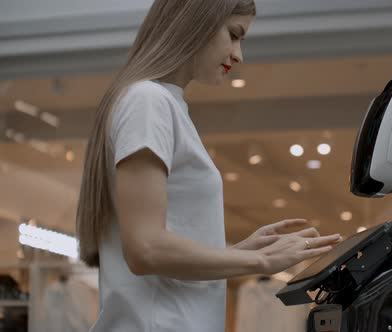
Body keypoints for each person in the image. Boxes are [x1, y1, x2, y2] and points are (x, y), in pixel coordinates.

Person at [75, 1, 342, 331]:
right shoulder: (148, 101)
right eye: (233, 35)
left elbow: (161, 244)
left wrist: (236, 251)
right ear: (196, 21)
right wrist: (259, 260)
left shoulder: (163, 104)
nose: (238, 54)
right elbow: (145, 248)